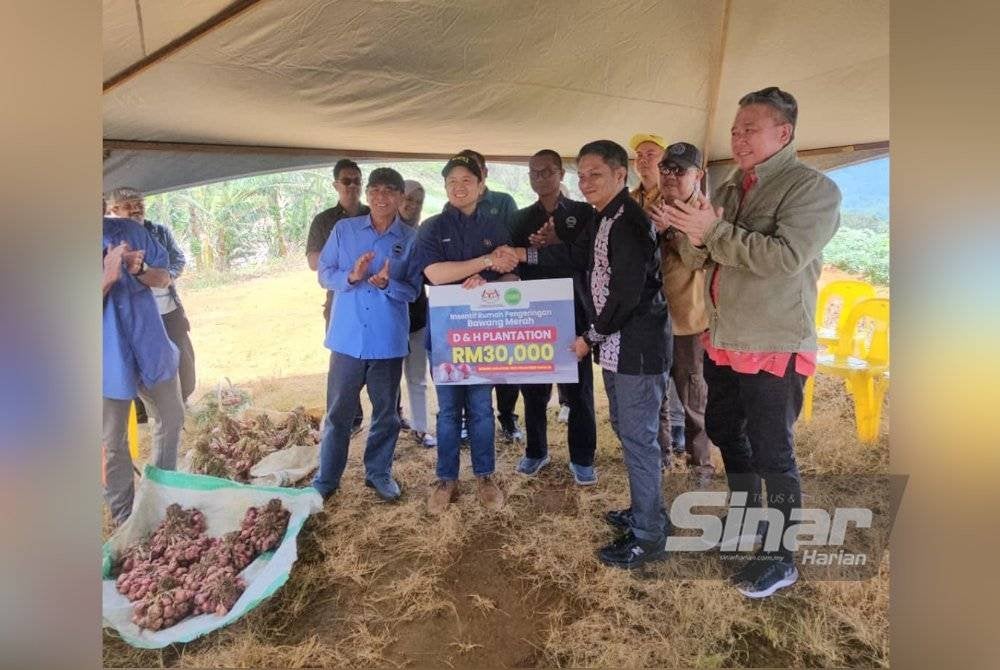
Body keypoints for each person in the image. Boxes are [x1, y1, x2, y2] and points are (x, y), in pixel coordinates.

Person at [662, 86, 841, 598]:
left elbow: (783, 258)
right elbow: (702, 260)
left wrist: (710, 230)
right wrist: (691, 232)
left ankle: (781, 558)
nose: (737, 138)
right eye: (735, 129)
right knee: (720, 426)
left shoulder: (812, 190)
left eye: (749, 129)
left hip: (773, 342)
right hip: (725, 338)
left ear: (782, 133)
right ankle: (747, 518)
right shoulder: (733, 187)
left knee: (773, 452)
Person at [513, 140, 672, 569]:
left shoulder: (629, 222)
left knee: (638, 439)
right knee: (625, 426)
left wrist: (590, 336)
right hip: (619, 347)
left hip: (636, 347)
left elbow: (627, 292)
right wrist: (523, 253)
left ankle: (649, 536)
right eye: (581, 175)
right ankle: (646, 512)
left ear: (622, 175)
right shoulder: (604, 218)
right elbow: (574, 255)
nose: (585, 183)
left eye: (595, 174)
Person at [415, 154, 519, 514]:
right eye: (452, 182)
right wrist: (483, 262)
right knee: (447, 412)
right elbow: (435, 274)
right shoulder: (431, 227)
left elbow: (509, 273)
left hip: (483, 337)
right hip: (445, 337)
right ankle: (446, 479)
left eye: (466, 181)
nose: (459, 188)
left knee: (480, 408)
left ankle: (486, 476)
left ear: (480, 185)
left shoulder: (495, 224)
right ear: (444, 188)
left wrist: (493, 279)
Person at [311, 168, 422, 503]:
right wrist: (352, 275)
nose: (381, 197)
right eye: (374, 190)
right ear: (367, 194)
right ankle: (327, 478)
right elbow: (324, 274)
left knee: (386, 413)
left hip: (386, 340)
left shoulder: (411, 239)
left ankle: (378, 473)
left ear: (402, 199)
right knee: (338, 414)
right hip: (347, 340)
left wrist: (389, 284)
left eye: (390, 191)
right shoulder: (344, 230)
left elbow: (414, 291)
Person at [509, 149, 598, 485]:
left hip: (573, 312)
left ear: (562, 174)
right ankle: (536, 451)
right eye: (534, 172)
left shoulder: (583, 214)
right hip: (533, 315)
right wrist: (536, 254)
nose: (540, 178)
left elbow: (585, 258)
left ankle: (583, 458)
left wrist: (551, 246)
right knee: (533, 390)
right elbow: (514, 264)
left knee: (578, 391)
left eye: (547, 171)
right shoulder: (520, 218)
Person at [102, 215, 185, 524]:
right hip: (105, 357)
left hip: (150, 345)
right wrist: (108, 276)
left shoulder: (130, 231)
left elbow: (165, 277)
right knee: (112, 442)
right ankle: (125, 518)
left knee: (172, 416)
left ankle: (161, 495)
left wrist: (141, 270)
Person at [646, 143, 716, 483]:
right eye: (666, 168)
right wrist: (652, 233)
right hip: (651, 321)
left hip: (689, 322)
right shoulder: (649, 207)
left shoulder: (706, 212)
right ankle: (660, 460)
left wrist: (671, 233)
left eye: (680, 170)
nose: (670, 176)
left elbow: (699, 260)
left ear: (698, 175)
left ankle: (700, 465)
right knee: (654, 397)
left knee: (693, 398)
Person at [456, 149, 524, 442]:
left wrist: (491, 276)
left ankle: (507, 418)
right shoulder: (451, 209)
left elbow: (511, 250)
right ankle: (466, 422)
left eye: (474, 171)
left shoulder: (503, 203)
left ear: (484, 175)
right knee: (467, 362)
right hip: (463, 297)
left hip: (499, 292)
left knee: (504, 363)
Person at [106, 187, 196, 403]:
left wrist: (165, 277)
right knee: (139, 366)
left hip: (169, 311)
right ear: (113, 209)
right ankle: (150, 414)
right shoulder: (107, 238)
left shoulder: (159, 231)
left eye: (140, 206)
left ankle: (181, 401)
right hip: (137, 318)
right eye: (129, 206)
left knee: (183, 361)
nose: (136, 210)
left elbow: (177, 259)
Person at [629, 133, 688, 460]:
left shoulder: (678, 197)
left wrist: (668, 230)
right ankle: (662, 445)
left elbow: (695, 250)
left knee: (684, 375)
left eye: (650, 153)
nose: (643, 159)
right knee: (655, 378)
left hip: (678, 301)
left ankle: (688, 442)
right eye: (638, 155)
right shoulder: (631, 198)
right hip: (642, 304)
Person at [307, 159, 371, 435]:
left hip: (375, 299)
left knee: (381, 362)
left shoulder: (375, 213)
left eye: (357, 180)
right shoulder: (324, 220)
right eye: (347, 181)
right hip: (340, 301)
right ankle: (351, 419)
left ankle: (392, 415)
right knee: (345, 365)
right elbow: (314, 262)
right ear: (336, 185)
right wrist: (350, 265)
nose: (353, 186)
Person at [397, 179, 436, 448]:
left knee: (417, 376)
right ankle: (389, 427)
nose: (411, 205)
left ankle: (421, 429)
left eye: (417, 201)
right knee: (387, 380)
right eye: (408, 199)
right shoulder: (383, 232)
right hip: (386, 318)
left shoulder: (424, 235)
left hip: (417, 317)